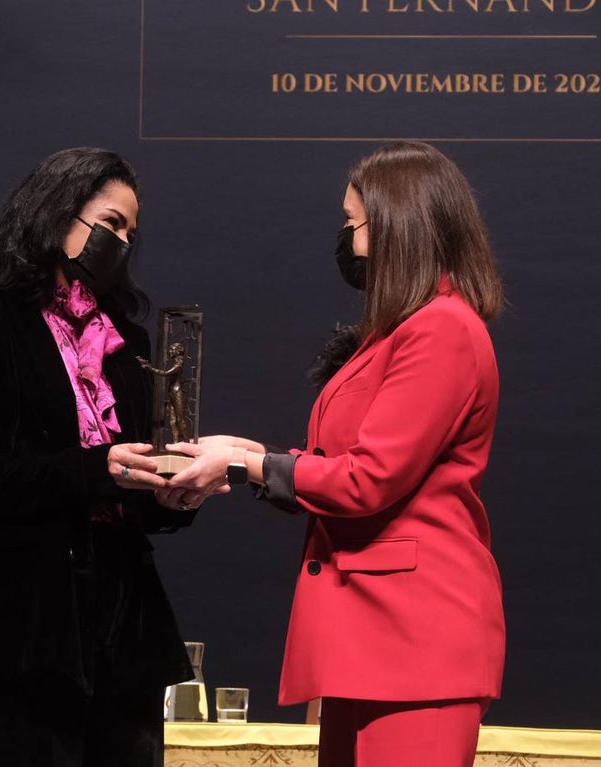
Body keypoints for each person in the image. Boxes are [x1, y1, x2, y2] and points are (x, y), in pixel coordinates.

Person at [162, 142, 506, 767]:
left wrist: (250, 465)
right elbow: (345, 460)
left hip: (415, 642)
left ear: (399, 224)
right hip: (374, 641)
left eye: (354, 223)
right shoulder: (402, 330)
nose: (345, 238)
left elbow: (370, 479)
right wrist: (251, 454)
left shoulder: (443, 329)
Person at [0, 147, 199, 767]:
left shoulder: (127, 342)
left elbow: (136, 482)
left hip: (123, 622)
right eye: (112, 224)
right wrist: (96, 469)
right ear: (59, 215)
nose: (123, 242)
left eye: (132, 233)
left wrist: (171, 493)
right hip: (27, 626)